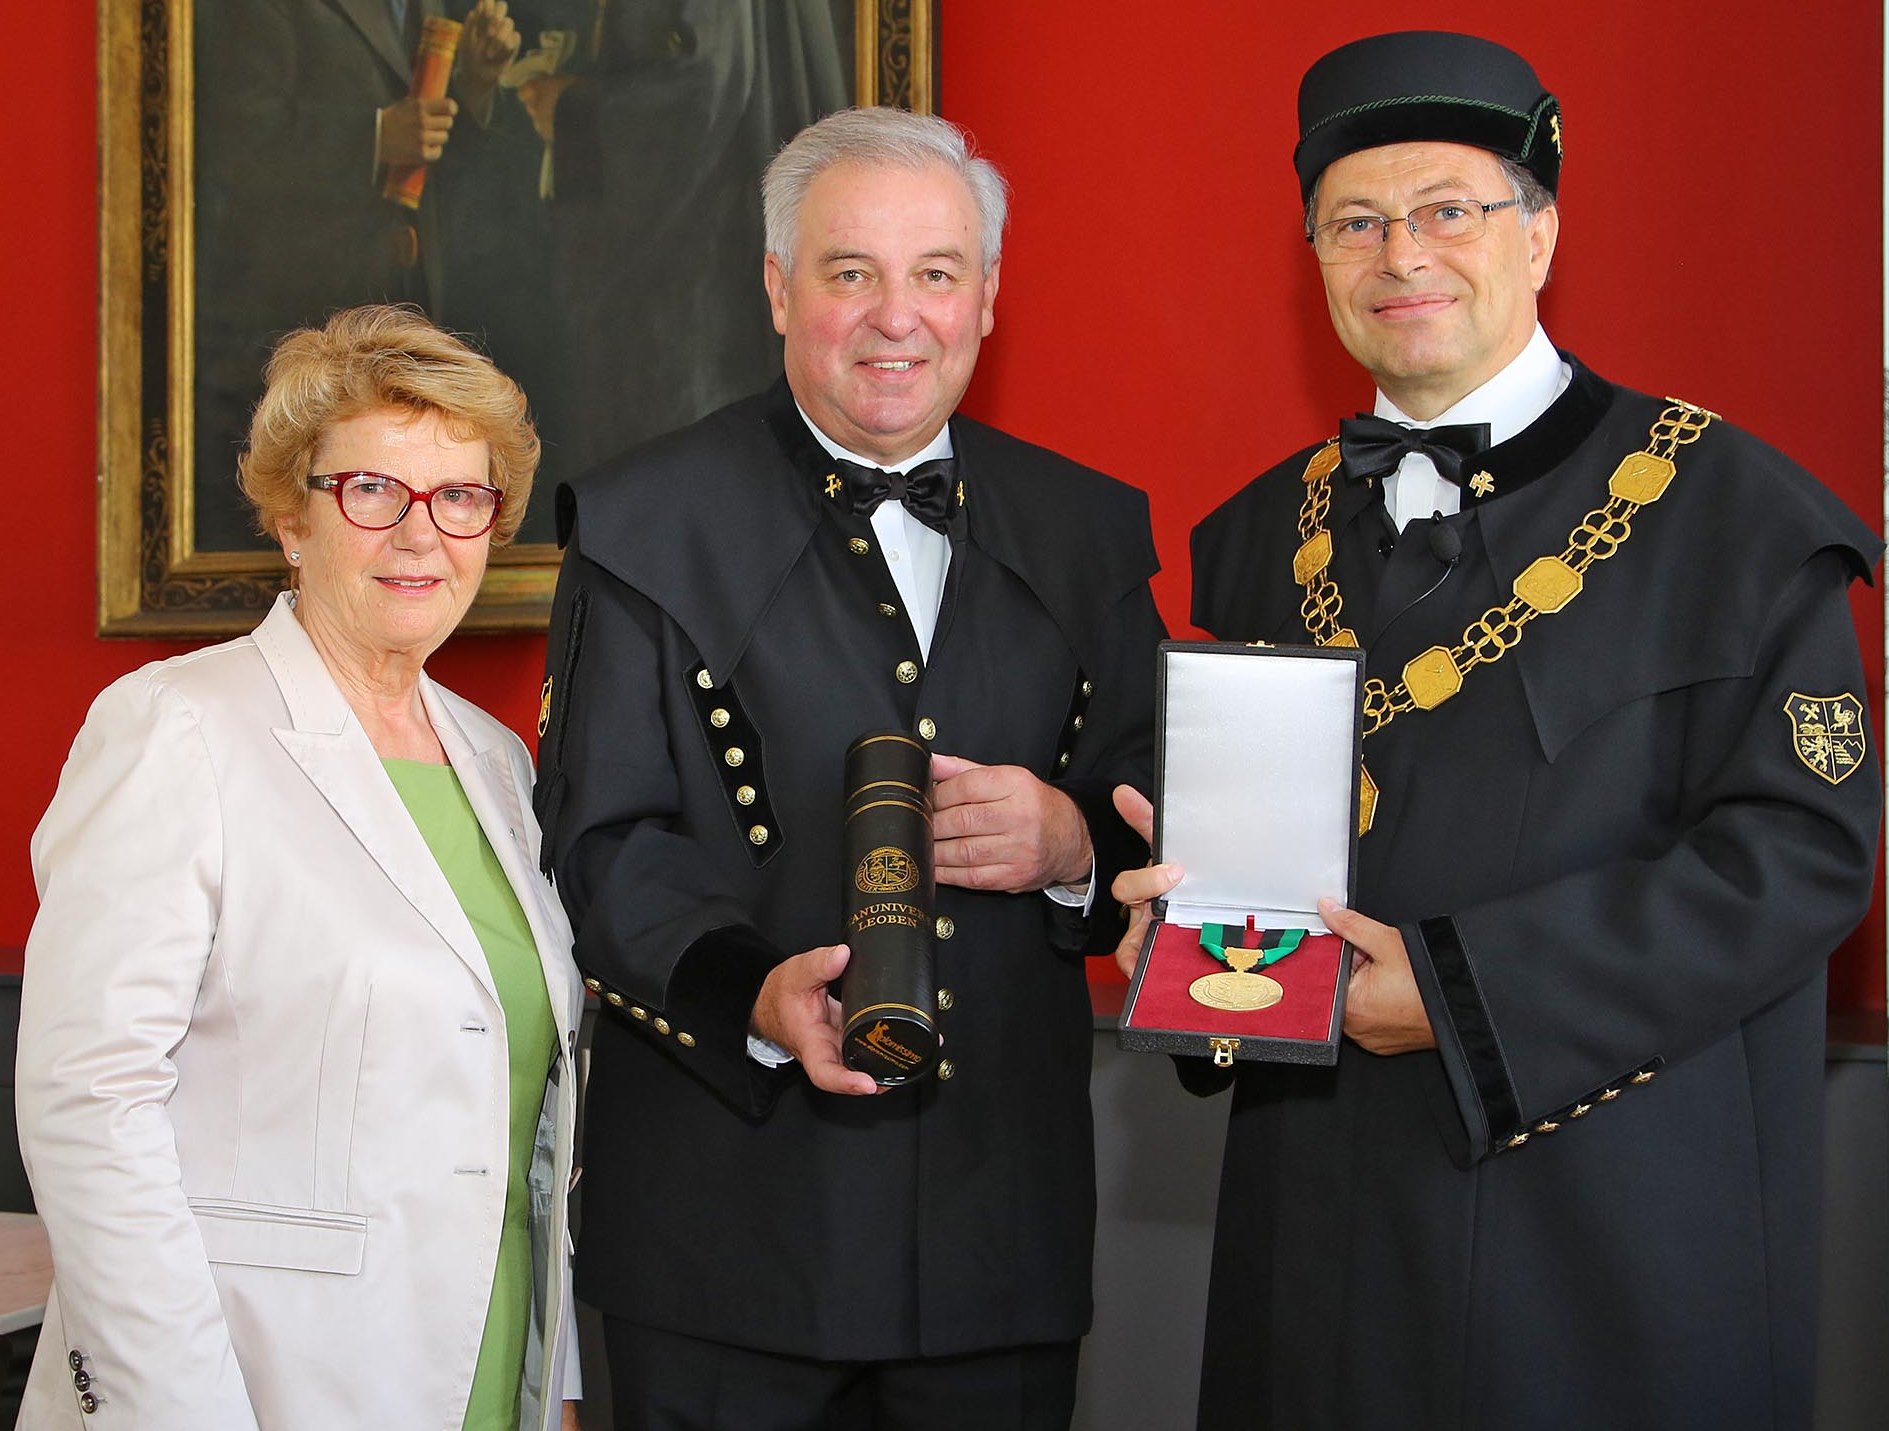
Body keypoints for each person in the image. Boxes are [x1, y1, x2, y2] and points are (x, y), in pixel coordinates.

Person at [1113, 31, 1882, 1431]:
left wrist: (1465, 998)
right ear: (1316, 258)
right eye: (1354, 221)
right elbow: (1259, 894)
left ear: (1541, 234)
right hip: (1322, 1243)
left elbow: (1800, 860)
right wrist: (1189, 949)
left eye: (1448, 209)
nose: (1400, 253)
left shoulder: (1737, 521)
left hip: (1607, 1245)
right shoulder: (1247, 544)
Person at [536, 107, 1164, 1428]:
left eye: (936, 272)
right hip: (722, 1246)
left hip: (1002, 1244)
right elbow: (607, 846)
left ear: (987, 297)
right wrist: (754, 994)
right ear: (777, 289)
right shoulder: (643, 519)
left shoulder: (1092, 530)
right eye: (849, 272)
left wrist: (1070, 849)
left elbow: (1164, 811)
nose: (898, 317)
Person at [17, 306, 584, 1430]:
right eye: (371, 491)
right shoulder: (175, 726)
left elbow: (529, 1132)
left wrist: (551, 1380)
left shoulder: (495, 761)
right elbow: (90, 1104)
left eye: (460, 498)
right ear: (290, 515)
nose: (420, 536)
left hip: (477, 1369)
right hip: (250, 1383)